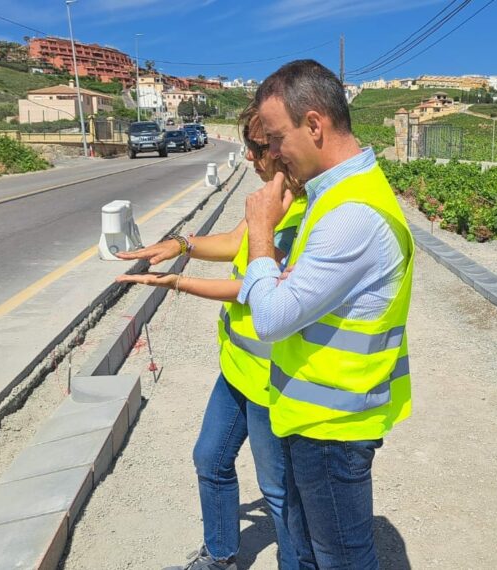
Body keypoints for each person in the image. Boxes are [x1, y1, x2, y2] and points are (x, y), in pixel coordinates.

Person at [115, 103, 308, 570]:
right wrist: (181, 245)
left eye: (255, 149)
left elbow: (252, 289)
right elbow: (236, 242)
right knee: (210, 460)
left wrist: (177, 281)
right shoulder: (268, 201)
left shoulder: (306, 213)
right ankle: (220, 555)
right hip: (237, 369)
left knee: (279, 491)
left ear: (278, 151)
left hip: (272, 380)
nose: (248, 159)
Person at [239, 59, 415, 569]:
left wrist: (260, 233)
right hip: (314, 416)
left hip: (332, 428)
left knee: (340, 558)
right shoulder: (334, 195)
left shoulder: (350, 216)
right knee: (315, 551)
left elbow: (271, 317)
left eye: (274, 138)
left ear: (314, 125)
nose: (270, 154)